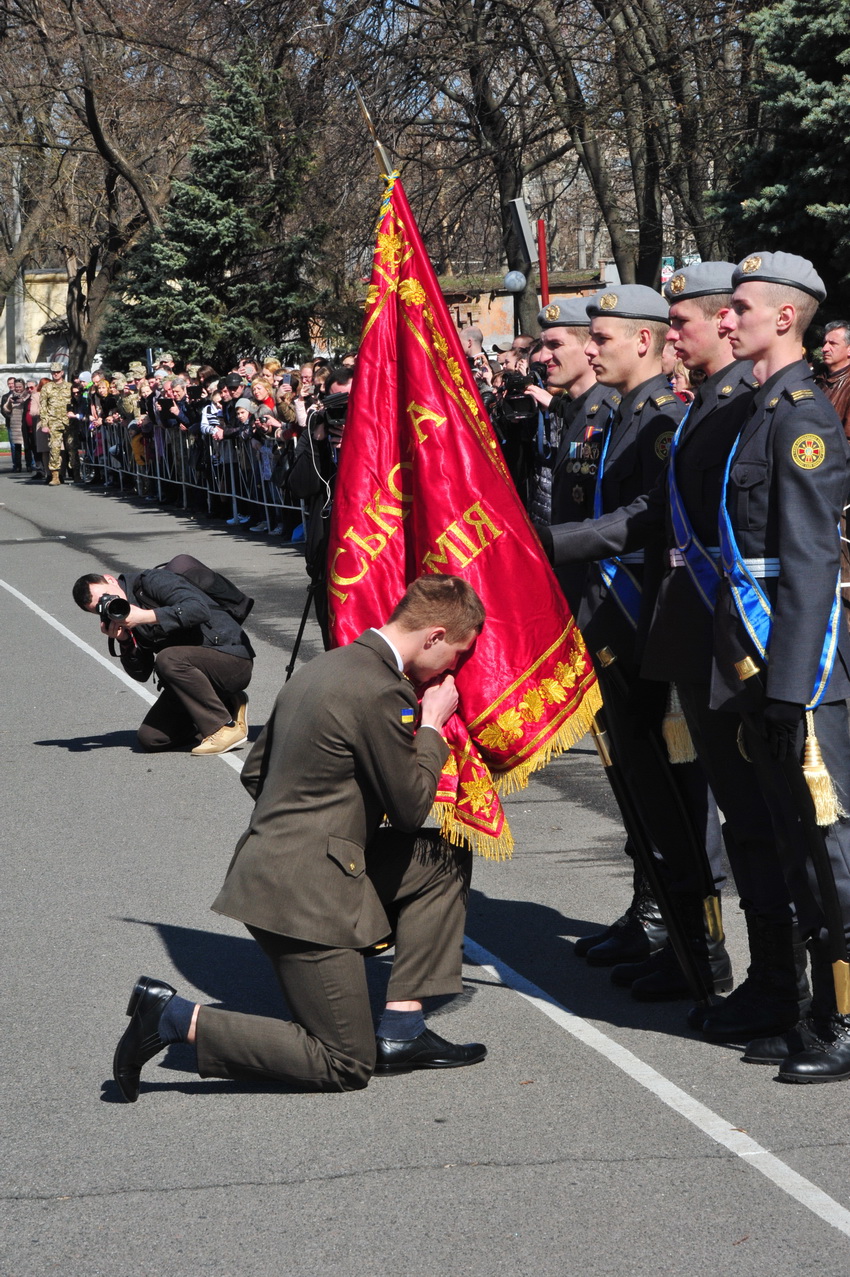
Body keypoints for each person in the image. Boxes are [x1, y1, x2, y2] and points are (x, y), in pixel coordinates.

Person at [541, 264, 806, 1037]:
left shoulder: (720, 407)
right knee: (672, 799)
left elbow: (670, 523)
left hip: (708, 634)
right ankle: (714, 953)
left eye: (705, 319)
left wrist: (547, 544)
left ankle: (753, 970)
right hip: (679, 632)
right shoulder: (699, 407)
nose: (710, 330)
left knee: (735, 814)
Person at [111, 574, 487, 1102]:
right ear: (433, 636)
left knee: (440, 859)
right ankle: (174, 1018)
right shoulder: (383, 690)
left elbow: (255, 775)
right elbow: (408, 808)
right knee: (344, 1061)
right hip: (301, 896)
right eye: (456, 653)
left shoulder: (327, 665)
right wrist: (430, 727)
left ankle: (403, 1031)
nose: (455, 667)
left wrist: (319, 820)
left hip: (281, 866)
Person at [539, 284, 730, 1000]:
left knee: (677, 794)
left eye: (601, 339)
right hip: (610, 622)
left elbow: (646, 521)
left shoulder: (658, 419)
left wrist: (549, 544)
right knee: (642, 786)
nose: (587, 350)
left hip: (645, 626)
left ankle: (696, 946)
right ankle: (669, 930)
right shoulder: (619, 414)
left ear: (644, 342)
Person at [711, 252, 850, 1081]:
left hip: (796, 661)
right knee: (794, 843)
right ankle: (816, 1010)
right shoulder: (759, 410)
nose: (727, 318)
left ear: (784, 319)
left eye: (739, 307)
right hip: (755, 656)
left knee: (828, 842)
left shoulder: (800, 418)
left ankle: (845, 1017)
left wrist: (790, 688)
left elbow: (805, 565)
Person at [72, 558, 255, 755]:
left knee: (168, 659)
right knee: (151, 739)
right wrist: (125, 641)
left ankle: (223, 727)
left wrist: (144, 616)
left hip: (231, 657)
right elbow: (142, 674)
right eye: (100, 608)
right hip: (192, 675)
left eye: (106, 597)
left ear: (111, 579)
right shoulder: (121, 616)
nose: (108, 605)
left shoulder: (152, 580)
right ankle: (228, 702)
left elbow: (198, 609)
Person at [39, 362, 70, 485]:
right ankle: (55, 476)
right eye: (53, 372)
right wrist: (44, 424)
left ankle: (76, 474)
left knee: (72, 448)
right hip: (53, 422)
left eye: (58, 372)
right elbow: (43, 407)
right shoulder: (47, 387)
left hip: (69, 422)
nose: (55, 374)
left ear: (62, 372)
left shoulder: (69, 386)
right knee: (54, 449)